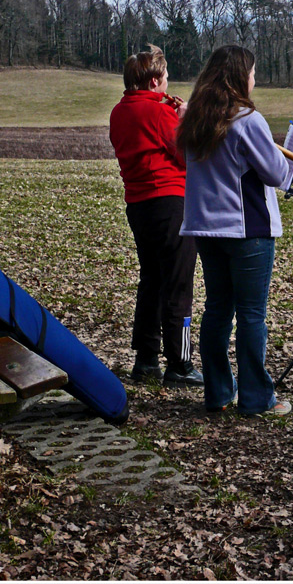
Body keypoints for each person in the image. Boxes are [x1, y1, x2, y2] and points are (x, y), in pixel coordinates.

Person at [177, 45, 293, 416]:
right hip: (247, 231)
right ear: (241, 76)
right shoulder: (246, 119)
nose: (255, 79)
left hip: (207, 230)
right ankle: (257, 399)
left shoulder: (195, 118)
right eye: (253, 73)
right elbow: (276, 174)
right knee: (251, 314)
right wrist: (286, 156)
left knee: (217, 311)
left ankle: (218, 394)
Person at [109, 44, 203, 387]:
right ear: (153, 81)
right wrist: (184, 119)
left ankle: (146, 358)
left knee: (151, 280)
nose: (167, 84)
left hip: (138, 204)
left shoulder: (119, 111)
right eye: (164, 78)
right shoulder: (160, 112)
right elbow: (185, 157)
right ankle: (180, 363)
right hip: (170, 203)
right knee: (178, 282)